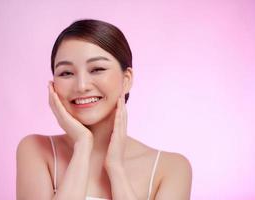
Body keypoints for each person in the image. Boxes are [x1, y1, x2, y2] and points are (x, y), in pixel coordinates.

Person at [16, 19, 192, 200]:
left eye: (97, 69)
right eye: (66, 73)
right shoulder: (36, 150)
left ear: (126, 80)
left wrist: (116, 168)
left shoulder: (171, 168)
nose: (82, 86)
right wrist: (83, 146)